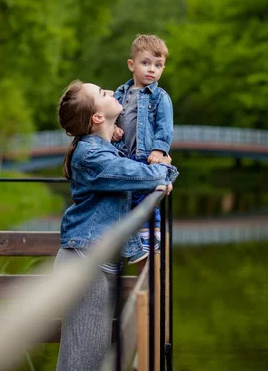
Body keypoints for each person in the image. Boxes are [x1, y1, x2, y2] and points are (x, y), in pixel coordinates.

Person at [54, 79, 178, 371]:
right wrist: (163, 172)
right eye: (102, 93)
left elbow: (140, 170)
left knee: (93, 357)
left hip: (97, 262)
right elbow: (137, 174)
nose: (111, 91)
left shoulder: (108, 147)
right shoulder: (91, 154)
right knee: (80, 361)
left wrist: (157, 171)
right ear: (97, 117)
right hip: (85, 262)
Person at [112, 34, 174, 266]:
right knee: (126, 199)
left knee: (145, 196)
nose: (152, 70)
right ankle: (131, 242)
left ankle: (152, 236)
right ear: (131, 65)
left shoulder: (159, 97)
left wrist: (160, 149)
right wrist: (113, 130)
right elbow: (114, 118)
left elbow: (165, 127)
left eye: (157, 65)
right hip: (123, 156)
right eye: (145, 63)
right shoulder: (121, 93)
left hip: (145, 156)